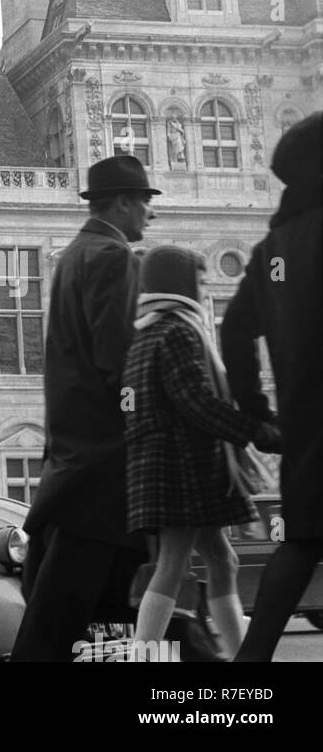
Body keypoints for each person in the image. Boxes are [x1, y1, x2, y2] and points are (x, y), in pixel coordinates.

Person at [9, 154, 159, 662]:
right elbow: (119, 361)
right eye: (143, 203)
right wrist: (150, 424)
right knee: (61, 621)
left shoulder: (76, 253)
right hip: (102, 467)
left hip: (74, 458)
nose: (149, 216)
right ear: (120, 204)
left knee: (107, 613)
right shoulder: (114, 258)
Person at [124, 246, 280, 658]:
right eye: (200, 278)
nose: (205, 285)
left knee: (221, 560)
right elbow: (195, 402)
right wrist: (254, 431)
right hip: (182, 466)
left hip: (169, 463)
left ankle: (242, 653)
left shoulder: (148, 331)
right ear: (181, 284)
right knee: (173, 564)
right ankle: (143, 654)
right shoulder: (177, 330)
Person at [224, 111, 322, 661]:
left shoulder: (273, 251)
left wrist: (258, 414)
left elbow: (235, 332)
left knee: (301, 544)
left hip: (305, 422)